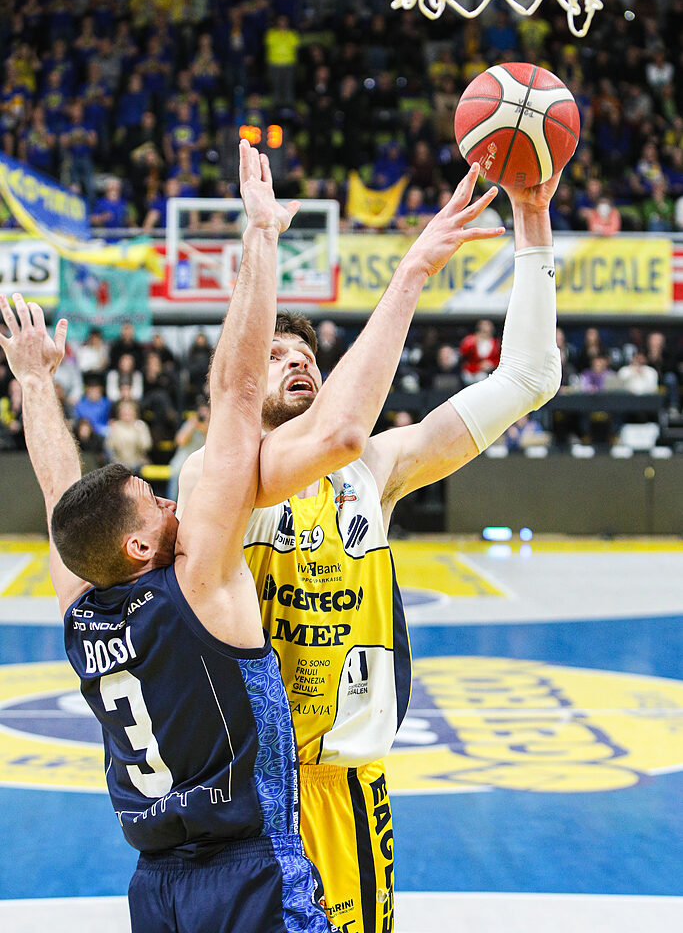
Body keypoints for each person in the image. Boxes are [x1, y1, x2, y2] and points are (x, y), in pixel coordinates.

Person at [179, 164, 563, 933]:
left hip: (351, 788)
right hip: (250, 792)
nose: (297, 361)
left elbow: (528, 376)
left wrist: (531, 222)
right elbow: (291, 414)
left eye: (305, 354)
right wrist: (399, 265)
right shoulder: (211, 480)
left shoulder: (371, 471)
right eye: (274, 355)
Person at [0, 140, 334, 933]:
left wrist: (36, 381)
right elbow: (237, 393)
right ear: (140, 549)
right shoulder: (200, 580)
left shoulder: (82, 606)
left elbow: (59, 495)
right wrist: (260, 236)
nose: (171, 500)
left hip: (155, 889)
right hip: (249, 870)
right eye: (154, 501)